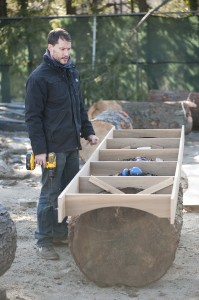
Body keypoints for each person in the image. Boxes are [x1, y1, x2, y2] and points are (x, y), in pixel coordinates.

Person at [25, 28, 99, 260]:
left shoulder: (71, 72)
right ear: (50, 47)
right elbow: (33, 117)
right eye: (62, 49)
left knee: (67, 192)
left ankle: (59, 233)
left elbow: (79, 105)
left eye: (68, 49)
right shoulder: (39, 78)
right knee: (49, 193)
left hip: (71, 146)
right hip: (52, 149)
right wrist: (40, 151)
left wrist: (88, 131)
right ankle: (43, 240)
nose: (66, 53)